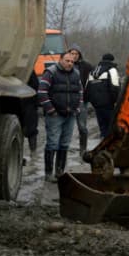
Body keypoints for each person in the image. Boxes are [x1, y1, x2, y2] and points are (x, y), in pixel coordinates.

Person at [37, 52, 83, 182]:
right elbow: (41, 92)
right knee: (52, 143)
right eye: (67, 61)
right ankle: (48, 173)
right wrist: (51, 110)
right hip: (55, 115)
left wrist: (78, 108)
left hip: (71, 114)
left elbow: (80, 92)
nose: (70, 63)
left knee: (64, 144)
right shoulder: (50, 73)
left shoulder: (76, 74)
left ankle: (60, 172)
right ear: (60, 60)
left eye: (72, 62)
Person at [85, 53, 120, 139]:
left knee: (102, 128)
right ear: (112, 60)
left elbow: (87, 89)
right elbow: (115, 87)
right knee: (110, 127)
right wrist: (116, 101)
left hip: (97, 105)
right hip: (109, 104)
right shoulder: (112, 70)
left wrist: (92, 102)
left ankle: (102, 142)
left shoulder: (93, 71)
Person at [67, 45, 94, 157]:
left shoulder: (86, 66)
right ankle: (64, 148)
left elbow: (92, 82)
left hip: (82, 100)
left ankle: (83, 148)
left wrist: (90, 96)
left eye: (76, 54)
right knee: (66, 125)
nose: (74, 56)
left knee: (82, 126)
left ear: (79, 55)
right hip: (68, 100)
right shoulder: (65, 65)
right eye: (72, 53)